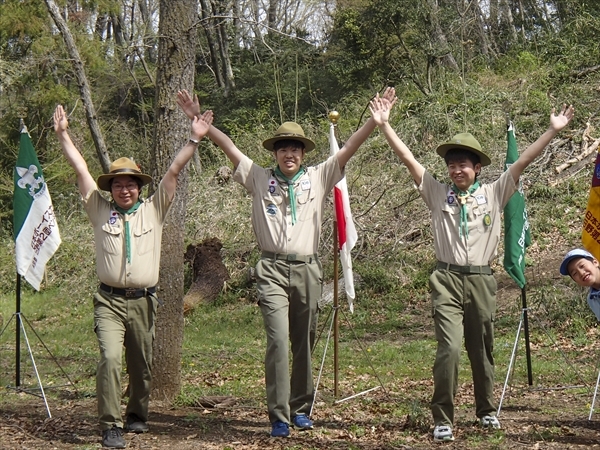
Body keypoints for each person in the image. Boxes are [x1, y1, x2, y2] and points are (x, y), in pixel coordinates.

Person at [176, 88, 395, 437]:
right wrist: (198, 120)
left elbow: (349, 148)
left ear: (303, 152)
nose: (288, 153)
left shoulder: (318, 176)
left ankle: (301, 409)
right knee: (278, 340)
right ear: (275, 153)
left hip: (308, 268)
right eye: (282, 148)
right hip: (272, 269)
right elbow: (230, 148)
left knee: (303, 342)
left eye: (295, 148)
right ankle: (279, 415)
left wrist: (374, 121)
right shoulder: (260, 178)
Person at [369, 96, 574, 442]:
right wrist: (385, 125)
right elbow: (408, 159)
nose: (456, 170)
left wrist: (552, 131)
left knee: (482, 348)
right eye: (452, 165)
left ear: (477, 168)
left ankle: (486, 411)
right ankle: (443, 417)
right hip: (446, 279)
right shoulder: (437, 194)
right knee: (448, 348)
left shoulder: (494, 193)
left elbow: (524, 160)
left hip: (481, 279)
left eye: (463, 164)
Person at [53, 104, 213, 448]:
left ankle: (137, 414)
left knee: (141, 364)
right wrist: (63, 134)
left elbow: (173, 171)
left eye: (131, 185)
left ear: (139, 188)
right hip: (108, 300)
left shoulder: (154, 209)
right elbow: (80, 169)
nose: (125, 190)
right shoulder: (99, 210)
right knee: (110, 358)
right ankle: (110, 424)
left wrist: (194, 140)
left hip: (143, 301)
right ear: (110, 189)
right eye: (118, 185)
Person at [560, 248, 600, 321]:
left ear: (595, 262)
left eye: (582, 266)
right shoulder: (592, 299)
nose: (581, 273)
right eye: (575, 273)